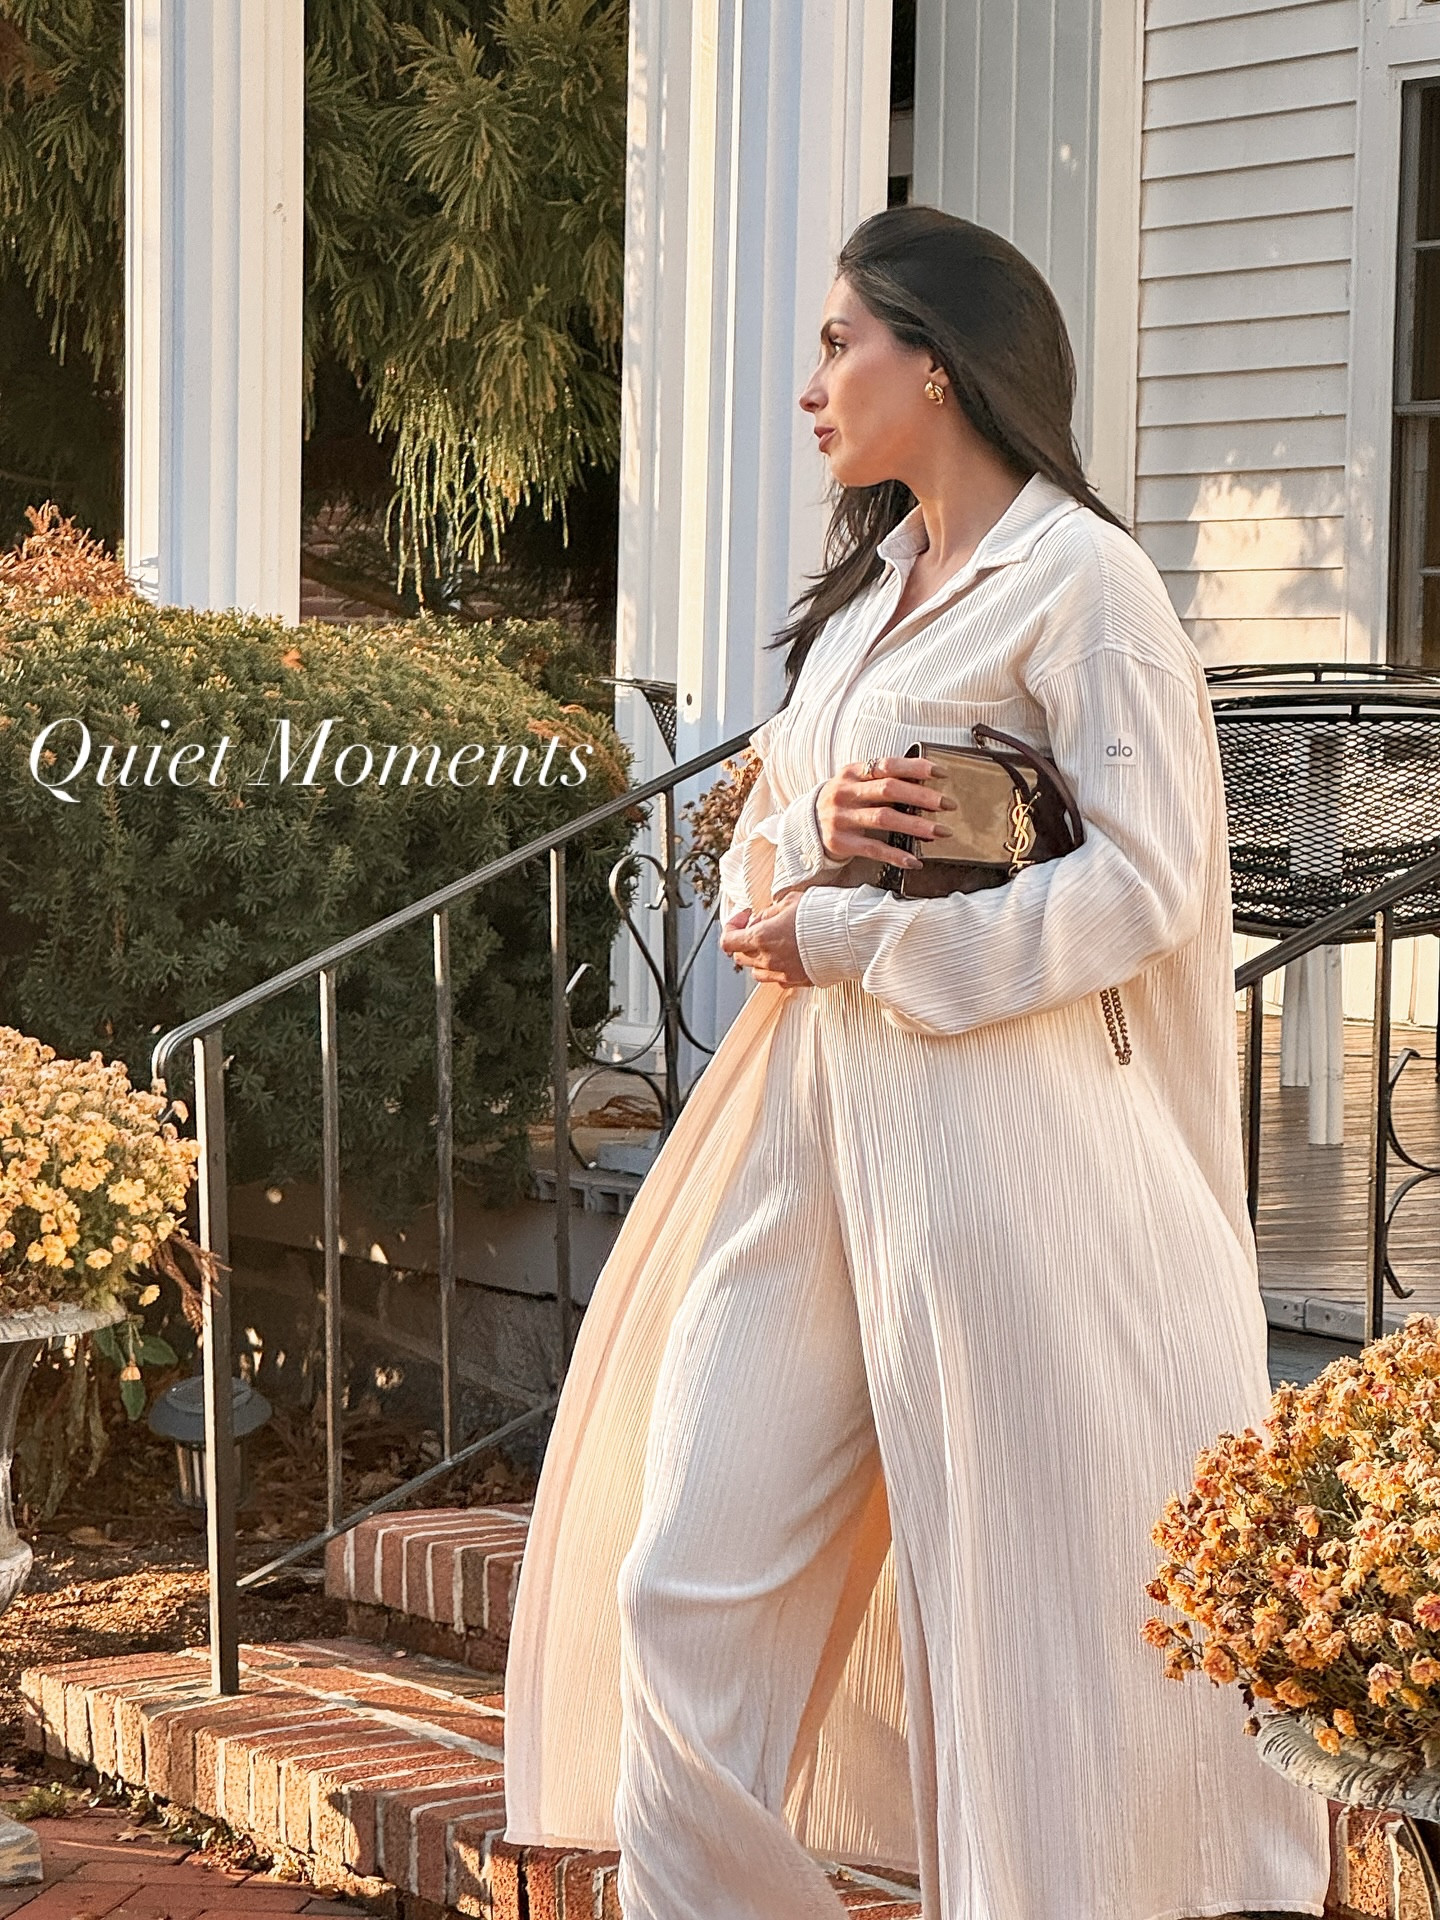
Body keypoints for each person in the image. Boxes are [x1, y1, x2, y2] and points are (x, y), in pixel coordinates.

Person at [501, 206, 1332, 1920]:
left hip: (1006, 1156)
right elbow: (760, 855)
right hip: (814, 1125)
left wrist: (868, 936)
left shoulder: (1088, 586)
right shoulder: (879, 594)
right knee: (687, 1569)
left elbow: (1155, 887)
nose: (813, 384)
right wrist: (805, 844)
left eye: (837, 344)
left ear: (935, 362)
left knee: (1025, 1627)